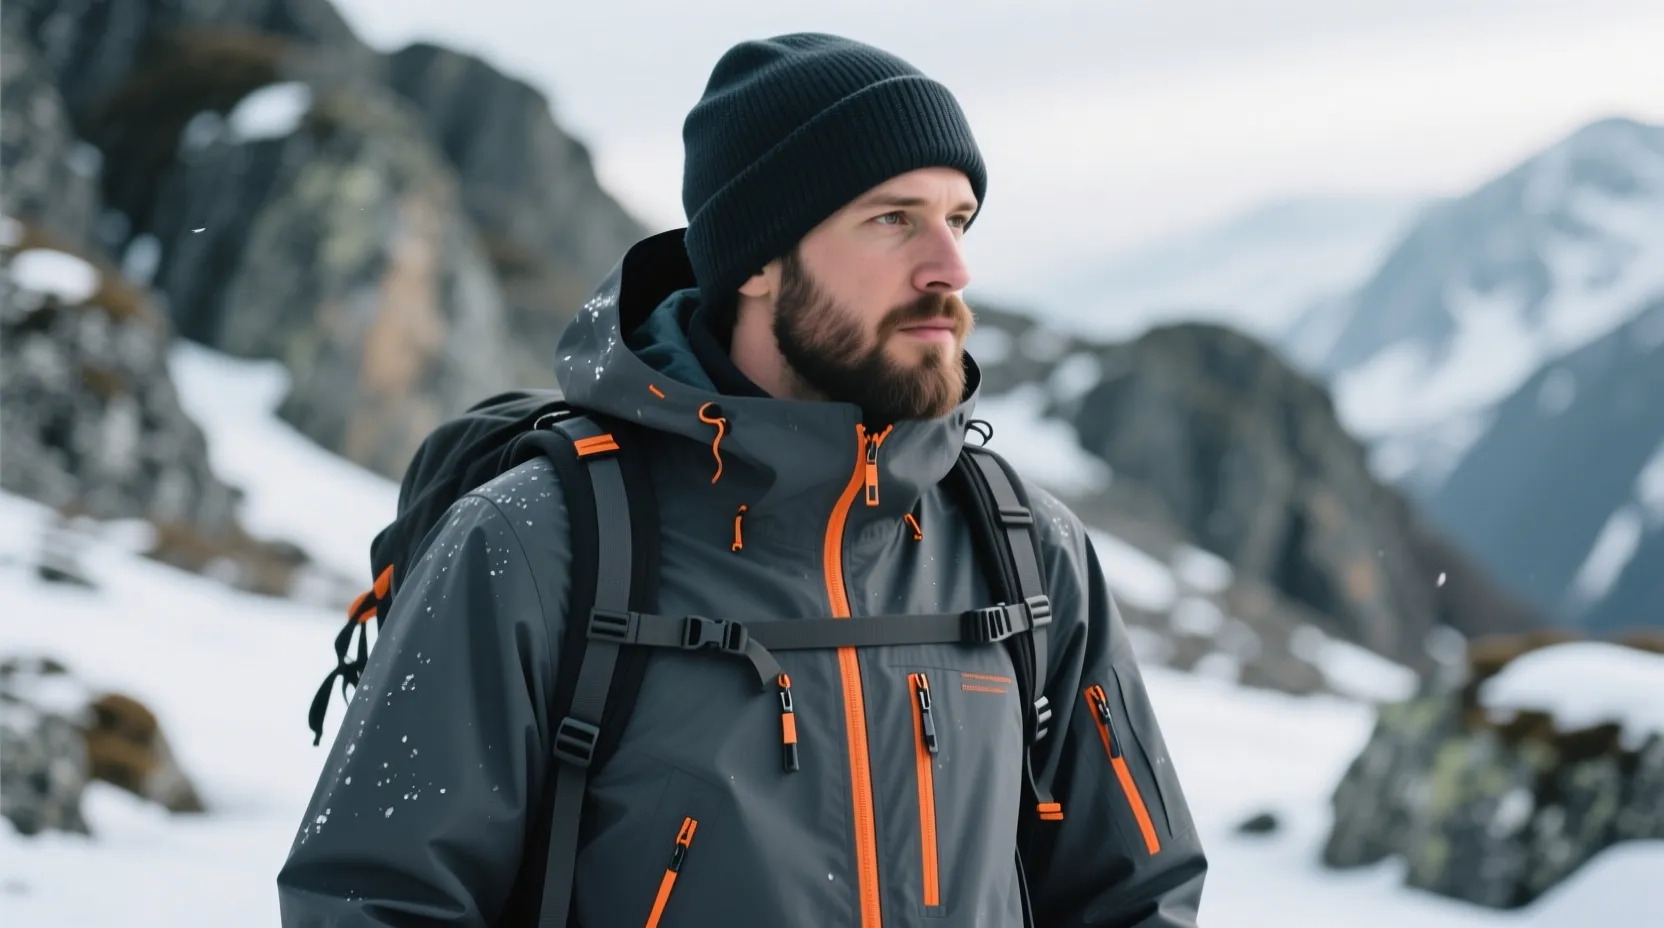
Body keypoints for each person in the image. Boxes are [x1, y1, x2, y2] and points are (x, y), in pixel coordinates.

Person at [277, 32, 1206, 927]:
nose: (951, 268)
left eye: (957, 219)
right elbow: (374, 903)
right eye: (893, 219)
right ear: (757, 260)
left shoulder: (1024, 548)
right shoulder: (536, 541)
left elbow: (1138, 896)